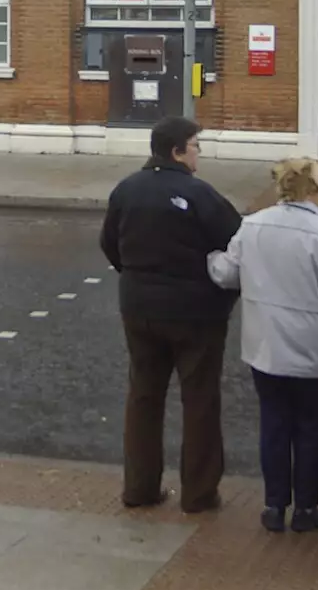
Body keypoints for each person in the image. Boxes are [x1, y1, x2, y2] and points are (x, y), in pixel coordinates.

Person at [207, 156, 318, 534]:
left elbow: (226, 273)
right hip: (312, 354)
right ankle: (306, 509)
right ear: (311, 189)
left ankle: (275, 505)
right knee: (310, 429)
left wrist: (210, 257)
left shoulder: (253, 226)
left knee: (274, 425)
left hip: (265, 349)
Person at [101, 115, 241, 514]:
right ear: (178, 151)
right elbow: (237, 242)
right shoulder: (200, 195)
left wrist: (136, 275)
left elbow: (110, 244)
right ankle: (199, 493)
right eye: (195, 145)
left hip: (139, 308)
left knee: (144, 397)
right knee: (199, 400)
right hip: (196, 312)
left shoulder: (126, 190)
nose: (199, 153)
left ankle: (140, 488)